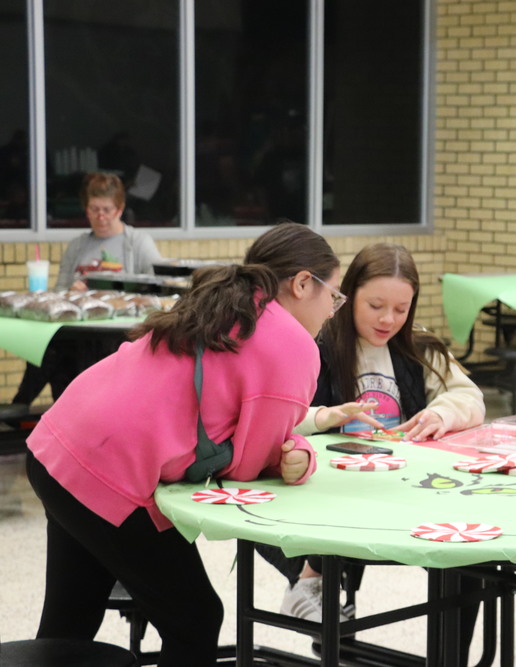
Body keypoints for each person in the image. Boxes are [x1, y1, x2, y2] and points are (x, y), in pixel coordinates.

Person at [24, 222, 343, 666]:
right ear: (303, 283)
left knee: (69, 620)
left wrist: (288, 446)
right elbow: (248, 466)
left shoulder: (228, 301)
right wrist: (301, 456)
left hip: (56, 444)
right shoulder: (293, 343)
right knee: (195, 619)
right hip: (111, 469)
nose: (333, 310)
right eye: (335, 295)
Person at [259, 242, 486, 657]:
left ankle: (450, 657)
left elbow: (469, 397)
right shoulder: (318, 345)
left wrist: (443, 414)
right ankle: (313, 588)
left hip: (404, 492)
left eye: (401, 310)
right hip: (332, 492)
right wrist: (324, 417)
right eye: (376, 305)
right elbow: (278, 415)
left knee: (471, 557)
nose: (388, 320)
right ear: (347, 295)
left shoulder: (419, 347)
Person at [14, 171, 165, 407]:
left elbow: (159, 289)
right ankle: (37, 408)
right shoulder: (78, 246)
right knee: (51, 349)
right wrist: (71, 292)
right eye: (94, 209)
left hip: (119, 336)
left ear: (120, 209)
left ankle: (23, 405)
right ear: (85, 209)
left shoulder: (138, 243)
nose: (100, 216)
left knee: (61, 355)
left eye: (106, 210)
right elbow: (59, 292)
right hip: (80, 334)